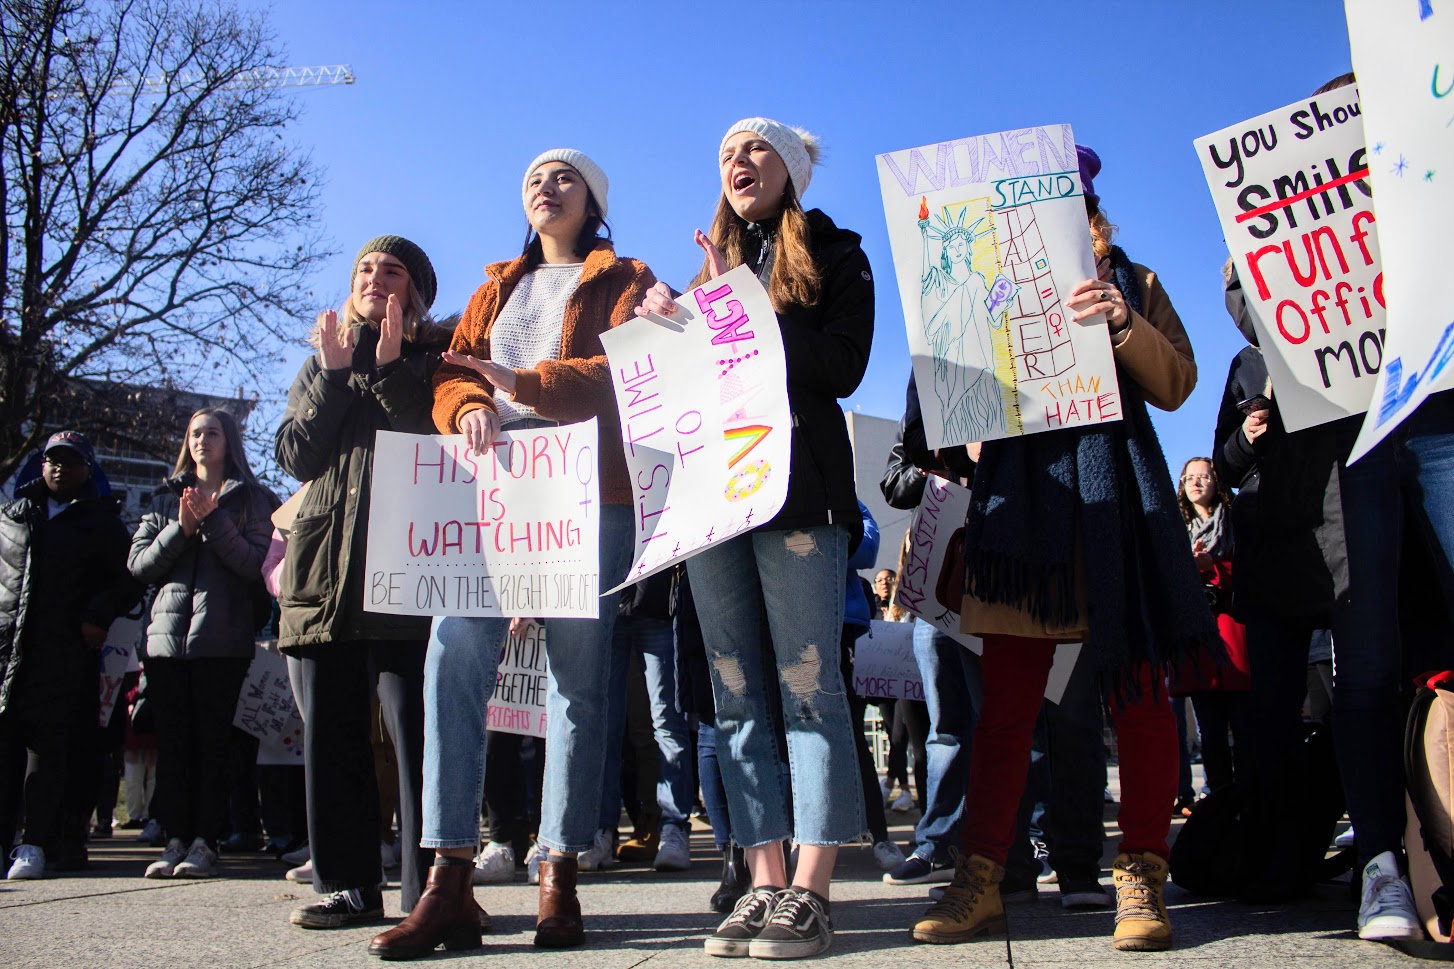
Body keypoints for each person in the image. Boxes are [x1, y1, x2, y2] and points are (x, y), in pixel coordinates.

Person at [910, 145, 1213, 952]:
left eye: (1060, 203)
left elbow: (1179, 380)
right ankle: (983, 875)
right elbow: (954, 397)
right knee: (1006, 710)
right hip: (1024, 511)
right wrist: (965, 422)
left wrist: (1121, 321)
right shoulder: (988, 285)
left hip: (1122, 499)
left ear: (1086, 208)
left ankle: (1142, 872)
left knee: (1139, 693)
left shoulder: (1134, 280)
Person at [365, 149, 655, 960]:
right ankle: (449, 874)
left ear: (593, 199)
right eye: (534, 176)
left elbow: (626, 374)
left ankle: (557, 870)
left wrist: (522, 386)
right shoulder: (494, 286)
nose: (544, 185)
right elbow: (453, 376)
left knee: (578, 680)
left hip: (584, 495)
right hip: (489, 495)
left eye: (564, 176)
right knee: (453, 652)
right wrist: (464, 410)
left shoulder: (624, 276)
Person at [636, 117, 873, 960]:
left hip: (798, 498)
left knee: (809, 689)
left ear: (794, 168)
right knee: (733, 694)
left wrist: (745, 306)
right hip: (712, 506)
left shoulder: (838, 254)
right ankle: (762, 879)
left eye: (757, 149)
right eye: (727, 153)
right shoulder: (703, 279)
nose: (739, 162)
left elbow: (843, 365)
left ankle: (812, 889)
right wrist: (665, 324)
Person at [275, 235, 451, 929]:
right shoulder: (322, 362)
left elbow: (433, 440)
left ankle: (428, 891)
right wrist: (333, 373)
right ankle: (347, 884)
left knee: (419, 734)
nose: (376, 277)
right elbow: (295, 454)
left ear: (416, 292)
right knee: (333, 736)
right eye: (365, 268)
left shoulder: (433, 361)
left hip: (410, 568)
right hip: (325, 573)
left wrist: (385, 370)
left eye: (394, 269)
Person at [128, 408, 278, 879]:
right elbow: (139, 566)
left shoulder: (254, 500)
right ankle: (173, 838)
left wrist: (214, 522)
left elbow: (255, 564)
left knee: (213, 746)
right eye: (194, 433)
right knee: (173, 745)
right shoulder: (163, 495)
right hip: (166, 645)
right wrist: (182, 529)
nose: (201, 441)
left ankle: (204, 841)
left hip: (223, 641)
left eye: (211, 433)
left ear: (229, 440)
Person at [0, 431, 137, 879]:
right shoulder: (13, 516)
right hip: (8, 651)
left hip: (63, 653)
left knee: (50, 750)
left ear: (87, 468)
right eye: (52, 460)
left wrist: (97, 615)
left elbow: (126, 580)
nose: (59, 468)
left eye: (70, 461)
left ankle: (36, 842)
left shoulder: (100, 522)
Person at [1171, 458, 1250, 795]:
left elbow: (1253, 570)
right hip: (1198, 643)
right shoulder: (1175, 530)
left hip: (1235, 634)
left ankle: (1250, 796)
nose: (1196, 482)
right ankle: (1219, 796)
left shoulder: (1237, 521)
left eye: (1203, 476)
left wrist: (1212, 566)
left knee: (1246, 728)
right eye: (1189, 477)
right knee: (1210, 730)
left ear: (1217, 481)